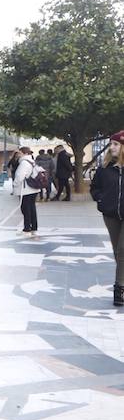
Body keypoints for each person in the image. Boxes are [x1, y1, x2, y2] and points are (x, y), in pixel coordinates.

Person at [90, 130, 124, 307]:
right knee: (117, 252)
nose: (112, 147)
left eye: (116, 144)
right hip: (110, 215)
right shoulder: (105, 168)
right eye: (111, 144)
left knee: (122, 249)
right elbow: (94, 188)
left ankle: (119, 288)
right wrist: (101, 199)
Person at [14, 146, 40, 238]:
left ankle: (27, 229)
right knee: (32, 209)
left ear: (24, 153)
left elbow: (20, 176)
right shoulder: (32, 161)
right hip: (33, 188)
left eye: (19, 153)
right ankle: (34, 228)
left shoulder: (24, 163)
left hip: (25, 189)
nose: (18, 154)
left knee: (26, 209)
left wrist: (15, 184)